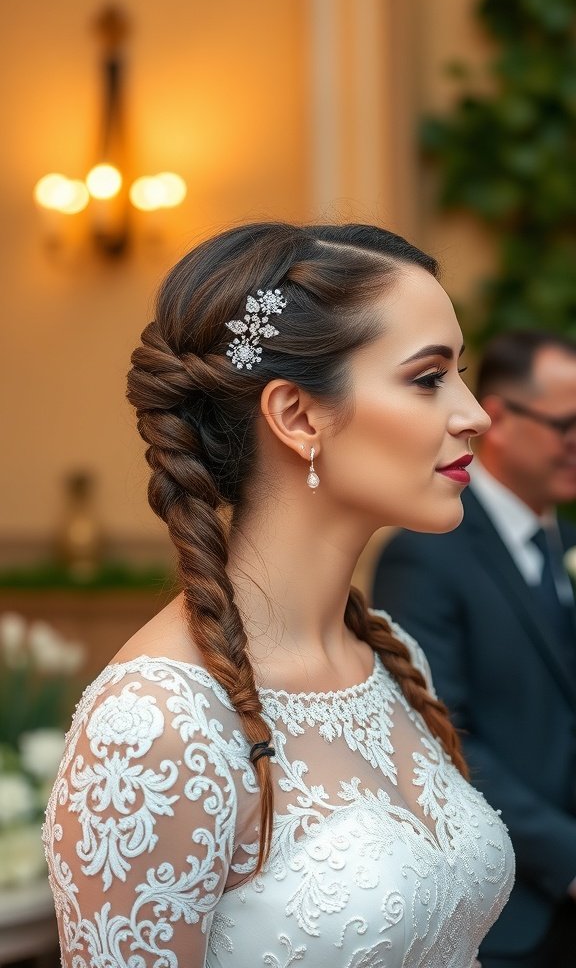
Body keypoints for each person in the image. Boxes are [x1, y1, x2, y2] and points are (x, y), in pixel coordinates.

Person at [44, 222, 514, 968]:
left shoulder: (392, 657)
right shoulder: (157, 727)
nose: (475, 414)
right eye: (429, 378)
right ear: (297, 416)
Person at [372, 329, 576, 968]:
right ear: (501, 419)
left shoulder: (561, 540)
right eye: (566, 424)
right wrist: (568, 856)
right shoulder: (426, 552)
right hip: (512, 909)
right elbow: (438, 730)